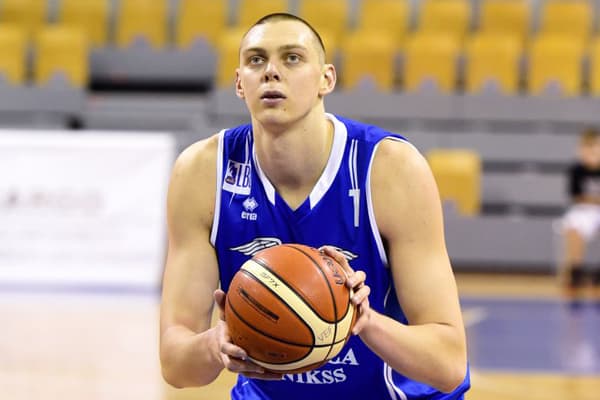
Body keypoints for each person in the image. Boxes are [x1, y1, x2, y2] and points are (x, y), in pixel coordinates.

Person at [159, 13, 470, 399]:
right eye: (256, 60)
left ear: (326, 79)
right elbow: (175, 365)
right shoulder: (202, 172)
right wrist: (214, 345)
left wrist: (364, 321)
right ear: (240, 83)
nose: (271, 71)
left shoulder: (390, 169)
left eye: (292, 58)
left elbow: (448, 365)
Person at [561, 128, 600, 299]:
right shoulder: (576, 170)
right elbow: (576, 197)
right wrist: (593, 200)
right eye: (587, 147)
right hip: (583, 210)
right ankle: (576, 270)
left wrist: (591, 199)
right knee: (573, 224)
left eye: (594, 147)